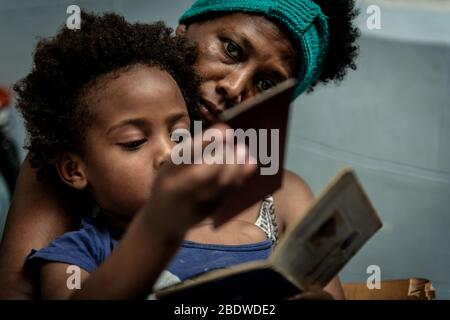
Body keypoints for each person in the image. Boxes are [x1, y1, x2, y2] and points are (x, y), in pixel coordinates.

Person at [0, 0, 359, 299]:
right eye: (231, 49)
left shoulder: (285, 195)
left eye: (266, 83)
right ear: (184, 30)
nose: (234, 88)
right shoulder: (76, 147)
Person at [13, 12, 257, 299]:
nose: (169, 153)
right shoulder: (75, 255)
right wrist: (158, 224)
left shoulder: (249, 237)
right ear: (74, 170)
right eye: (134, 142)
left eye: (179, 136)